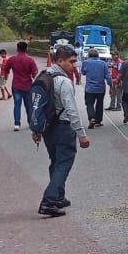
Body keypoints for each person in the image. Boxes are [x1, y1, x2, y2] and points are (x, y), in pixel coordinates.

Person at [32, 45, 89, 216]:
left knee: (55, 162)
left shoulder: (44, 76)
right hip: (63, 127)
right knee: (64, 163)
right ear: (60, 61)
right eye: (71, 61)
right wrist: (81, 134)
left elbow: (36, 106)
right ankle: (48, 201)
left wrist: (36, 129)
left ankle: (58, 196)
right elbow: (72, 110)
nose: (74, 65)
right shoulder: (64, 82)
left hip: (48, 128)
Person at [5, 41, 39, 132]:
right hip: (28, 85)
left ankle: (17, 124)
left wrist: (5, 76)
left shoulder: (12, 59)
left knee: (17, 105)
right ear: (26, 49)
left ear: (17, 49)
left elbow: (6, 69)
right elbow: (35, 72)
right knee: (29, 105)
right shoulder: (30, 60)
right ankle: (30, 122)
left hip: (16, 85)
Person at [80, 48, 110, 128]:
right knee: (99, 104)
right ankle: (98, 121)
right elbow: (107, 76)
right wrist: (111, 85)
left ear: (89, 55)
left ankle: (91, 118)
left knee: (89, 103)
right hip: (101, 88)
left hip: (89, 88)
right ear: (98, 55)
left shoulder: (86, 62)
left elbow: (83, 72)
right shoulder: (103, 63)